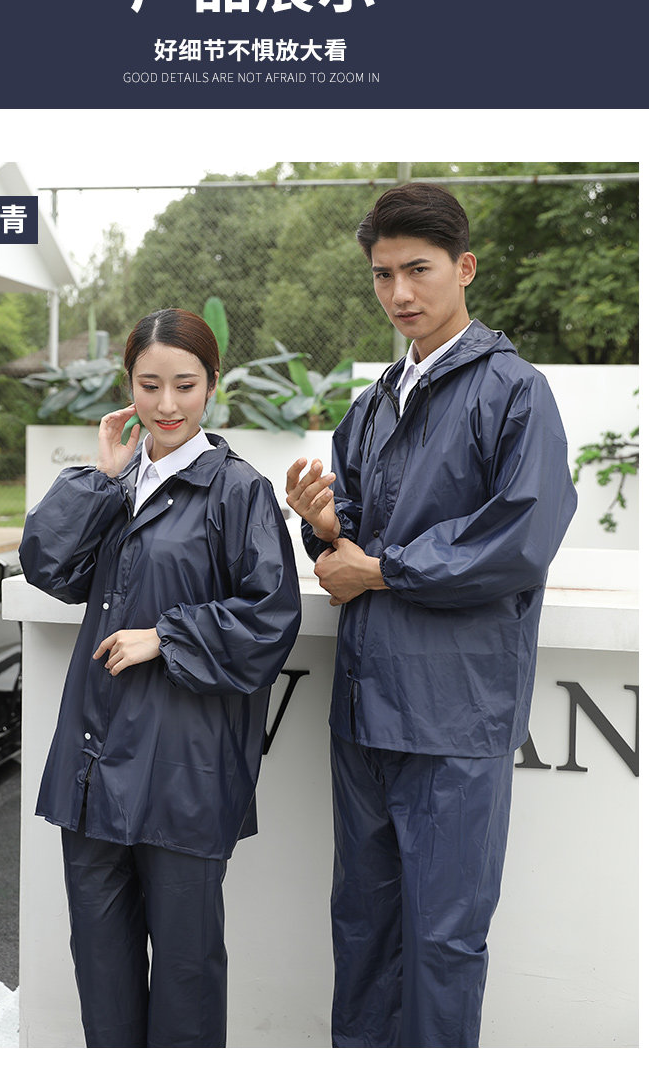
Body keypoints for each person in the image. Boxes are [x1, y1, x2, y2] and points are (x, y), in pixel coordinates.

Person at [286, 182, 577, 1048]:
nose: (400, 292)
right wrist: (325, 526)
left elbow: (519, 539)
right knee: (362, 931)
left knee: (445, 943)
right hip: (364, 713)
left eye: (418, 269)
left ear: (465, 267)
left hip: (455, 718)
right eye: (384, 274)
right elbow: (355, 534)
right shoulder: (374, 402)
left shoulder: (515, 392)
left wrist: (379, 569)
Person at [19, 307, 301, 1048]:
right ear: (129, 387)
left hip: (183, 772)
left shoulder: (238, 491)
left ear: (212, 385)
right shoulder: (115, 486)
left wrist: (166, 636)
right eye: (150, 385)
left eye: (185, 384)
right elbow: (47, 566)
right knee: (102, 972)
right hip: (92, 765)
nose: (167, 404)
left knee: (185, 975)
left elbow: (271, 618)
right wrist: (100, 478)